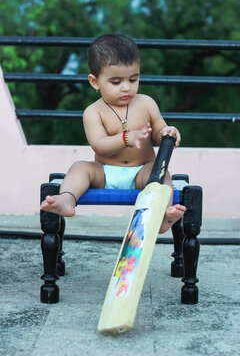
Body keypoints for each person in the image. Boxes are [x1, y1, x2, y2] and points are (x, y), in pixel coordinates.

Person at [40, 34, 186, 233]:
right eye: (116, 82)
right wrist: (127, 137)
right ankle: (67, 198)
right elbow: (99, 144)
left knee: (162, 175)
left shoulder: (146, 103)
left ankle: (162, 217)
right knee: (80, 167)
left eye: (133, 79)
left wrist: (167, 133)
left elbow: (158, 132)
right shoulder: (93, 112)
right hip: (105, 172)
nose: (126, 87)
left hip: (141, 172)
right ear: (95, 81)